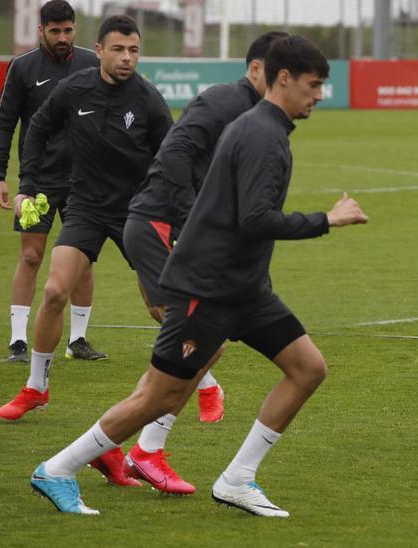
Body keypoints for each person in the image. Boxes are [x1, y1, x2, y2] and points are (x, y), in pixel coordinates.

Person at [29, 35, 368, 517]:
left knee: (307, 367)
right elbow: (254, 218)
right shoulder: (260, 134)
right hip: (207, 288)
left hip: (244, 287)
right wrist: (325, 220)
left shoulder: (261, 126)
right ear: (284, 78)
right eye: (314, 85)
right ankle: (58, 469)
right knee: (157, 396)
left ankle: (237, 479)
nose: (319, 95)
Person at [0, 14, 173, 486]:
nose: (127, 59)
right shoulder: (74, 90)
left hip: (137, 213)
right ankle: (37, 387)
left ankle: (203, 383)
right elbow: (36, 129)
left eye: (135, 51)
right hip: (86, 208)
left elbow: (173, 158)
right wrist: (28, 184)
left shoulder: (149, 101)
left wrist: (172, 212)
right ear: (99, 50)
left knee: (163, 307)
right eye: (119, 50)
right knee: (54, 290)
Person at [115, 31, 289, 496]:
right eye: (279, 72)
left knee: (198, 344)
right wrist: (195, 222)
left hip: (176, 229)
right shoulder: (223, 100)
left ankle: (120, 443)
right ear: (256, 69)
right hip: (161, 225)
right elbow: (173, 152)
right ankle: (141, 449)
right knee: (198, 342)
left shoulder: (257, 116)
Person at [0, 0, 104, 363]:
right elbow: (5, 122)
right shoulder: (22, 68)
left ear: (74, 29)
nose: (62, 37)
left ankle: (79, 340)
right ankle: (18, 340)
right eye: (55, 31)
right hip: (36, 180)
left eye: (68, 30)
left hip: (84, 180)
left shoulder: (91, 64)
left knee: (82, 259)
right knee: (32, 255)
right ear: (41, 31)